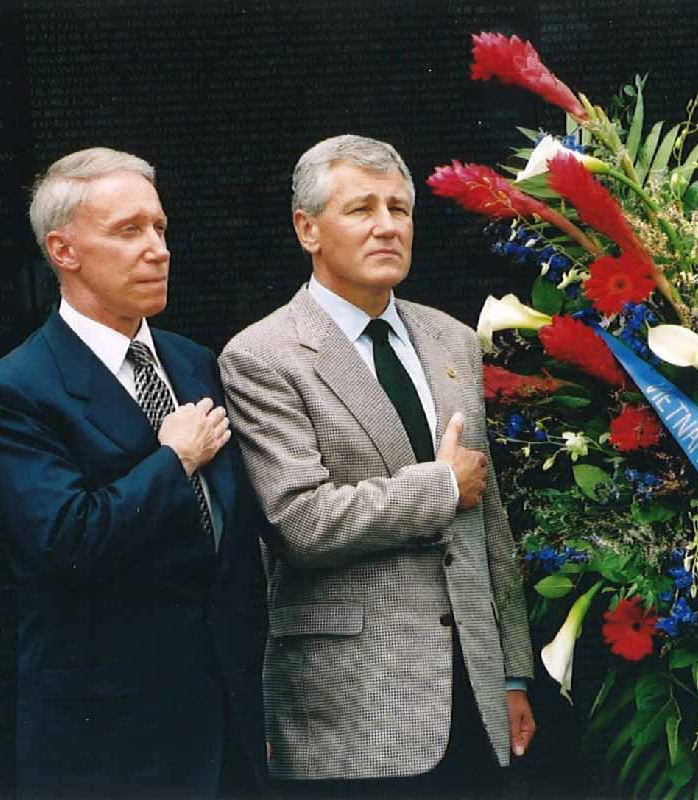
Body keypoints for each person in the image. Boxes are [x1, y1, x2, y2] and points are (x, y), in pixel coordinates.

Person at [219, 134, 534, 798]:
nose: (387, 225)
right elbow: (300, 521)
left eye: (400, 208)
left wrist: (510, 672)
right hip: (351, 711)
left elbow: (490, 518)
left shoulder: (452, 338)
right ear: (308, 229)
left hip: (472, 697)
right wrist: (441, 487)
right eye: (361, 209)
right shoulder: (262, 356)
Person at [0, 148, 268, 799]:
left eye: (160, 228)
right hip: (110, 744)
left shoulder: (195, 362)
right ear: (64, 250)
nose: (157, 249)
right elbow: (66, 540)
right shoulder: (16, 389)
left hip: (225, 727)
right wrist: (174, 461)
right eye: (128, 231)